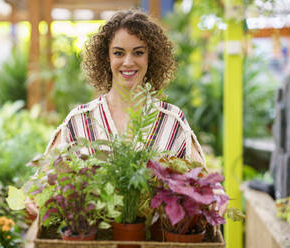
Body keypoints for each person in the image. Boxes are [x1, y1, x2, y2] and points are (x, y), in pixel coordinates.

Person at [25, 9, 205, 219]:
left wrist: (217, 195)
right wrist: (32, 197)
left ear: (151, 57)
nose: (128, 62)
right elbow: (44, 179)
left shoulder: (171, 121)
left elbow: (201, 181)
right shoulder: (80, 120)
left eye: (138, 52)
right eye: (119, 53)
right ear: (106, 58)